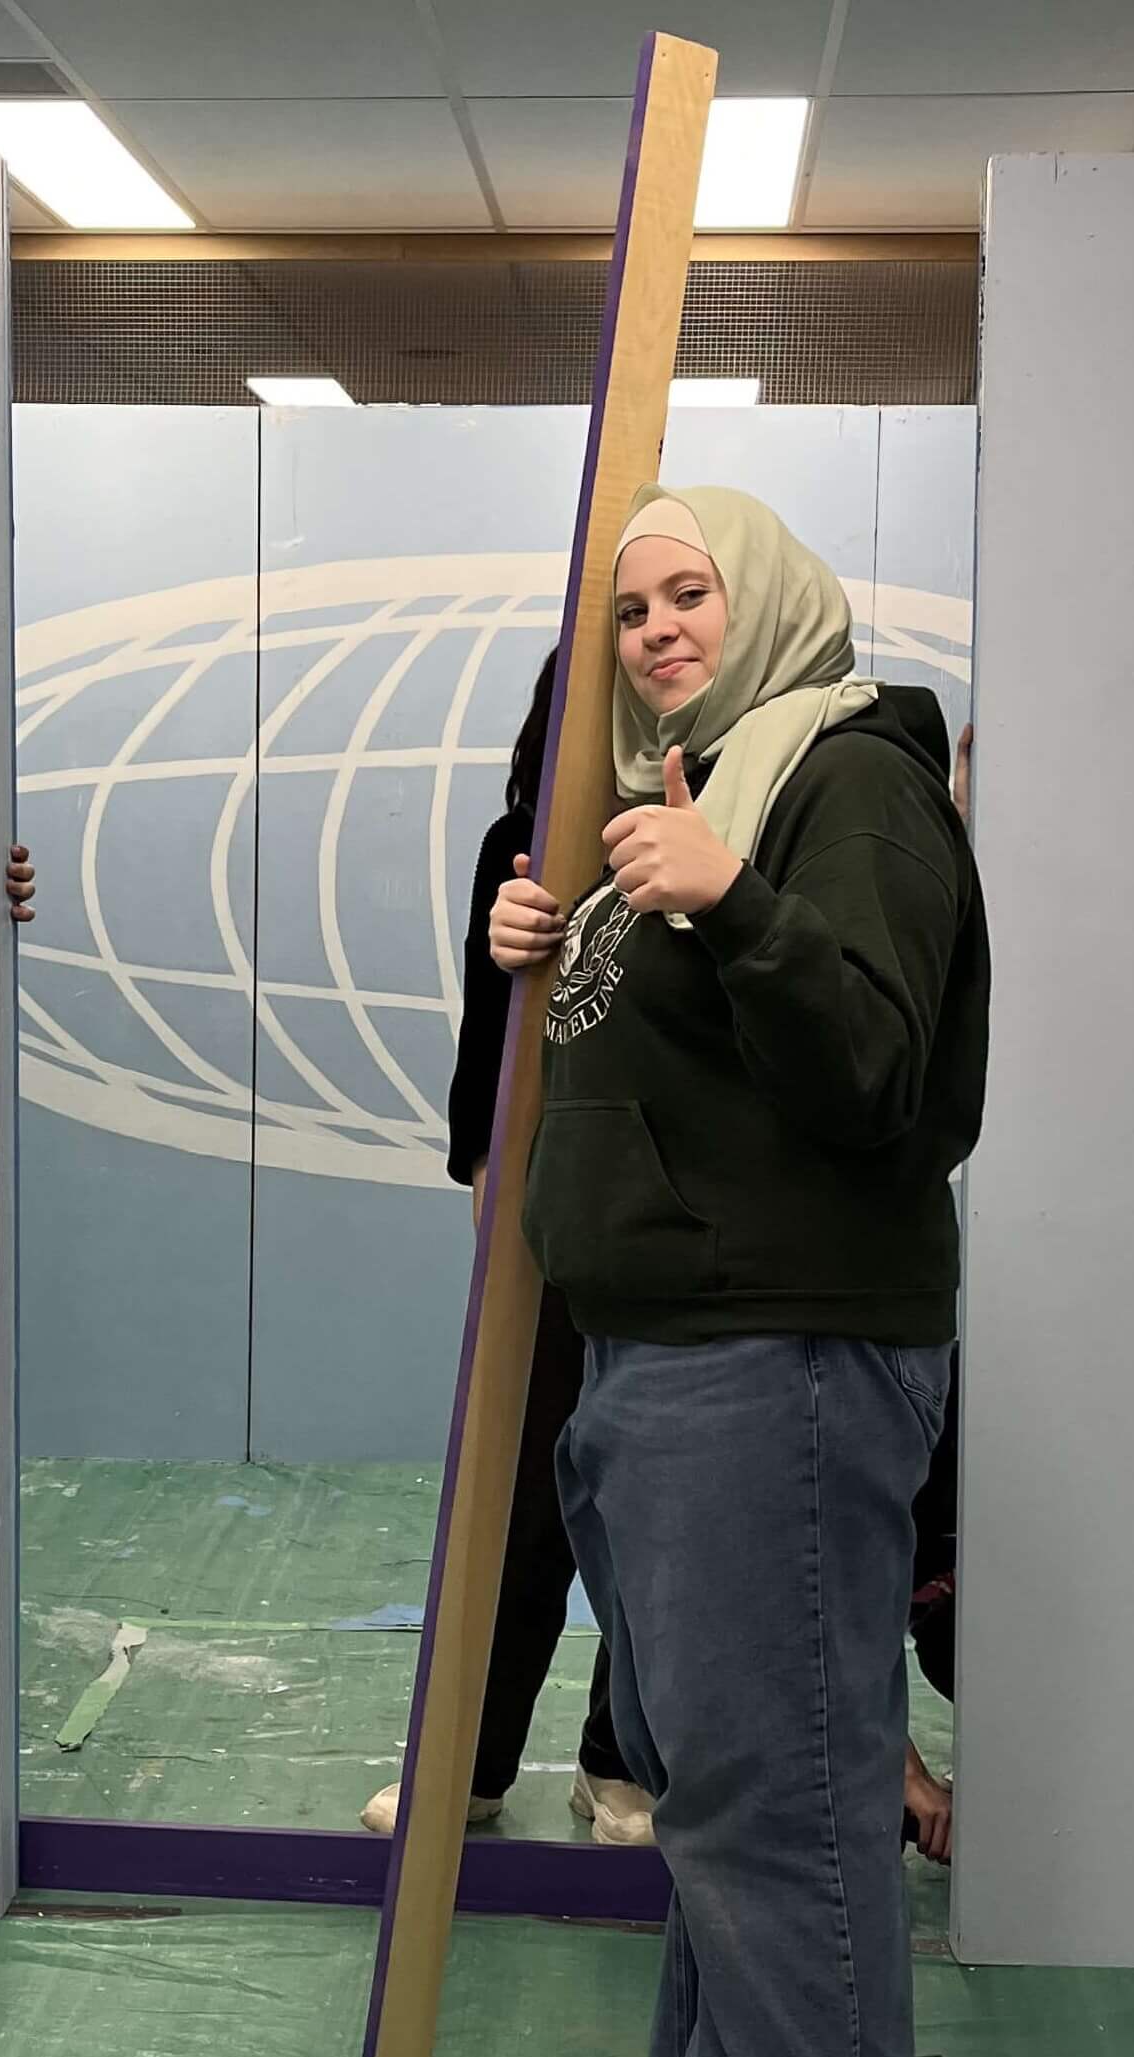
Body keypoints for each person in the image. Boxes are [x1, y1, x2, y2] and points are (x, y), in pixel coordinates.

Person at [493, 485, 988, 2057]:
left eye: (687, 594)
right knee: (725, 1782)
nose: (655, 633)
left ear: (766, 598)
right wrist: (543, 958)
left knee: (775, 1794)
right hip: (672, 1338)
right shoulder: (687, 800)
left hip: (770, 1342)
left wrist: (739, 902)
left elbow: (877, 1060)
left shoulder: (843, 778)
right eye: (629, 613)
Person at [361, 651, 656, 1847]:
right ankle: (472, 1764)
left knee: (646, 1496)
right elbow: (490, 1050)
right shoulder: (519, 848)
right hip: (547, 1211)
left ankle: (617, 1761)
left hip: (678, 1221)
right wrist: (488, 1192)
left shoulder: (718, 831)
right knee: (521, 1496)